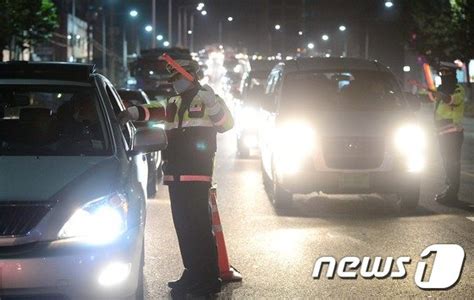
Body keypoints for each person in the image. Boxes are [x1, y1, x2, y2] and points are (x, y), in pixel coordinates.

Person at [119, 58, 234, 297]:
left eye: (177, 78)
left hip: (197, 172)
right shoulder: (173, 102)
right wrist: (131, 112)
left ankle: (208, 278)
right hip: (174, 173)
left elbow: (226, 124)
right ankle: (192, 272)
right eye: (171, 79)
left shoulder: (207, 97)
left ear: (190, 75)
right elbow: (152, 110)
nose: (174, 83)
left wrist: (212, 103)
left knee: (199, 228)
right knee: (183, 227)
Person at [429, 62, 465, 206]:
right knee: (447, 163)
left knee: (453, 164)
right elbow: (430, 98)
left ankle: (452, 193)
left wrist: (440, 94)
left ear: (452, 75)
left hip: (453, 135)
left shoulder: (458, 89)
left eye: (446, 74)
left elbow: (452, 100)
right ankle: (449, 189)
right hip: (442, 134)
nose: (443, 77)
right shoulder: (441, 89)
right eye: (441, 74)